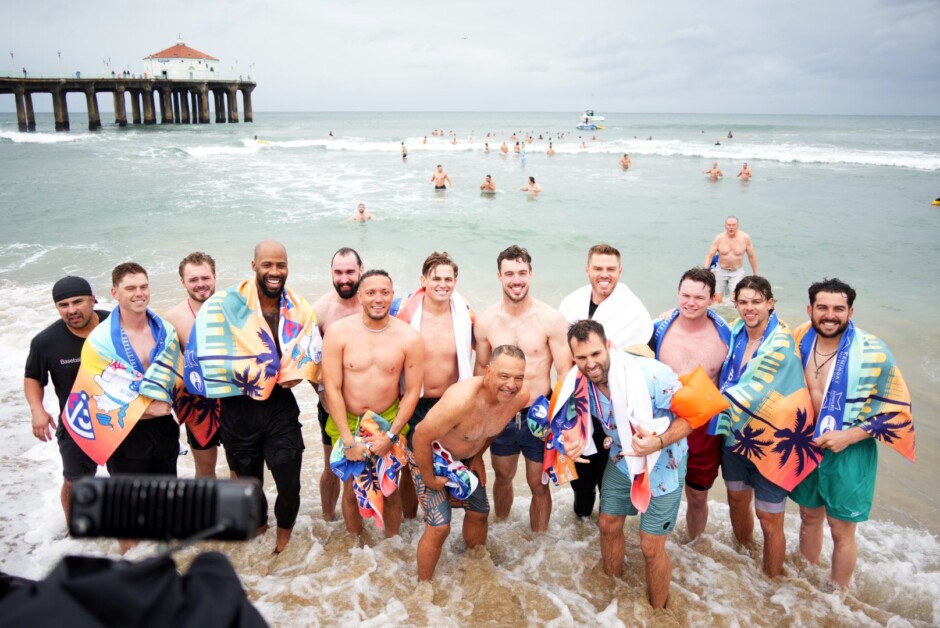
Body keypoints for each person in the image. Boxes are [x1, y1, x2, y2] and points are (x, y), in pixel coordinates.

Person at [184, 241, 322, 553]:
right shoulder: (223, 305)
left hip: (279, 408)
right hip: (237, 410)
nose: (275, 272)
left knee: (290, 485)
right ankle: (259, 529)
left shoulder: (299, 308)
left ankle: (283, 538)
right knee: (249, 486)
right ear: (254, 265)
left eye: (281, 266)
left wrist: (301, 373)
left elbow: (310, 353)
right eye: (267, 265)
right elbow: (202, 353)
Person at [790, 279, 915, 589]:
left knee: (841, 529)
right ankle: (804, 591)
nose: (830, 315)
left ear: (850, 311)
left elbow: (898, 412)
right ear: (810, 309)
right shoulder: (800, 338)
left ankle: (837, 600)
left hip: (850, 450)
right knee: (808, 517)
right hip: (809, 444)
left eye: (838, 309)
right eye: (822, 308)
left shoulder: (873, 351)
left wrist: (850, 435)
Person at [560, 320, 689, 608]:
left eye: (595, 354)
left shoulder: (653, 376)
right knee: (607, 524)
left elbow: (692, 417)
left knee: (649, 544)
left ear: (608, 346)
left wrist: (659, 442)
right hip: (621, 459)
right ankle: (613, 600)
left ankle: (658, 614)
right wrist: (568, 443)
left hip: (663, 463)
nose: (590, 364)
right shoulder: (578, 386)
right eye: (581, 358)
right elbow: (564, 424)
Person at [63, 264, 182, 553]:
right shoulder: (100, 341)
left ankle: (161, 568)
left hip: (163, 430)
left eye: (143, 286)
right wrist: (146, 409)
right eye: (130, 288)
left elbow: (176, 375)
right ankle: (132, 570)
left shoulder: (164, 330)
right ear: (115, 293)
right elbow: (97, 392)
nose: (139, 293)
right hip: (124, 432)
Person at [709, 276, 815, 577]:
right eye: (743, 302)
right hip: (736, 438)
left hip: (772, 442)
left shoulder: (779, 342)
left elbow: (750, 389)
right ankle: (745, 563)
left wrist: (701, 402)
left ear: (771, 303)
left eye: (756, 301)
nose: (749, 308)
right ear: (735, 304)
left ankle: (771, 585)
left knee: (770, 519)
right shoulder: (737, 332)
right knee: (737, 500)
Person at [474, 245, 572, 533]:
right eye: (509, 274)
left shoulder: (550, 318)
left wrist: (562, 419)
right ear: (499, 276)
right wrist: (478, 417)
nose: (516, 280)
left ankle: (539, 544)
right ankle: (502, 529)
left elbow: (565, 371)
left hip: (539, 412)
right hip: (500, 411)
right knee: (502, 476)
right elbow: (481, 372)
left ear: (530, 274)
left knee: (538, 482)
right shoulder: (486, 321)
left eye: (522, 273)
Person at [321, 270, 424, 538]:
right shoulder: (338, 332)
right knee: (351, 492)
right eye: (371, 293)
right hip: (348, 420)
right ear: (360, 296)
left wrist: (390, 435)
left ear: (393, 295)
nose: (378, 299)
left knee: (389, 490)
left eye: (385, 292)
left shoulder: (409, 337)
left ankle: (392, 549)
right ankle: (358, 547)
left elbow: (413, 391)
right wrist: (347, 440)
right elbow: (331, 387)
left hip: (387, 419)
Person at [413, 345, 528, 580]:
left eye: (519, 377)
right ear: (488, 371)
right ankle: (423, 586)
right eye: (504, 376)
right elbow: (420, 436)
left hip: (466, 459)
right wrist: (428, 478)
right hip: (432, 455)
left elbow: (494, 427)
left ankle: (474, 572)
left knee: (480, 513)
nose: (511, 385)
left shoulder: (518, 398)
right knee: (439, 526)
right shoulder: (462, 399)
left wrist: (477, 456)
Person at [558, 244, 653, 517]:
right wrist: (568, 406)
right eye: (598, 268)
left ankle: (607, 530)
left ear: (620, 271)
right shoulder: (572, 304)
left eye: (611, 269)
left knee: (608, 478)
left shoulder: (633, 311)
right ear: (587, 270)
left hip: (614, 407)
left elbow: (641, 361)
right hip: (580, 403)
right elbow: (564, 359)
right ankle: (582, 529)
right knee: (581, 479)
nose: (604, 274)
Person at [649, 268, 731, 538]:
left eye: (699, 297)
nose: (690, 302)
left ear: (712, 299)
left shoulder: (726, 337)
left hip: (704, 430)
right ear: (678, 294)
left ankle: (694, 549)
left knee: (697, 496)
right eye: (685, 295)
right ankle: (657, 541)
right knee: (657, 491)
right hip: (666, 425)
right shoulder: (658, 329)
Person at [393, 252, 475, 519]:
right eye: (436, 278)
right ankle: (408, 521)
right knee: (410, 466)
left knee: (451, 464)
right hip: (415, 401)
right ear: (423, 280)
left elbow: (485, 347)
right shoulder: (405, 312)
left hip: (451, 404)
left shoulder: (464, 314)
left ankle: (442, 520)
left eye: (448, 279)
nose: (443, 284)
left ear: (456, 281)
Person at [25, 276, 108, 525]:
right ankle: (75, 533)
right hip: (78, 422)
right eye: (63, 305)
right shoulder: (45, 342)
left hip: (119, 416)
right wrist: (37, 410)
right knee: (75, 481)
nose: (71, 310)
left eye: (78, 301)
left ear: (93, 300)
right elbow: (32, 378)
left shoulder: (116, 325)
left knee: (130, 477)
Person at [312, 248, 365, 521]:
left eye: (349, 272)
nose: (344, 279)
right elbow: (309, 362)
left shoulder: (373, 302)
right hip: (331, 402)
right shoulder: (321, 310)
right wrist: (324, 397)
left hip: (370, 401)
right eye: (338, 272)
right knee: (332, 465)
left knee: (373, 466)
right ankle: (328, 520)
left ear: (361, 271)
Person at [163, 252, 223, 479]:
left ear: (215, 276)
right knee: (205, 469)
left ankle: (239, 514)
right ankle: (208, 514)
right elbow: (168, 367)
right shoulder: (172, 318)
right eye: (193, 280)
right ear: (182, 282)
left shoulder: (234, 307)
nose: (201, 285)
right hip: (198, 402)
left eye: (205, 278)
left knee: (240, 465)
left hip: (235, 399)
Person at [703, 216, 759, 304]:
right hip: (721, 270)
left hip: (737, 271)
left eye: (733, 225)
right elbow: (710, 255)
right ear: (725, 226)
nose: (731, 227)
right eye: (729, 225)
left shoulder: (745, 238)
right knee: (718, 299)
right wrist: (705, 271)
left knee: (736, 297)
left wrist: (756, 274)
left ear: (738, 226)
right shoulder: (719, 238)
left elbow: (752, 256)